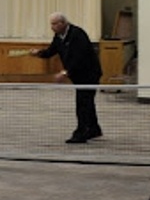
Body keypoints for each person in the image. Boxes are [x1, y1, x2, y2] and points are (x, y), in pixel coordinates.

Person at [29, 12, 104, 143]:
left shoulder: (77, 34)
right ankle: (93, 129)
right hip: (78, 76)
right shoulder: (58, 36)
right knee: (87, 102)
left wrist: (65, 72)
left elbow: (79, 58)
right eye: (51, 24)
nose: (52, 27)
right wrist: (38, 53)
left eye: (54, 24)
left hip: (89, 74)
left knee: (82, 103)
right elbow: (51, 51)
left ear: (63, 23)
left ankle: (81, 133)